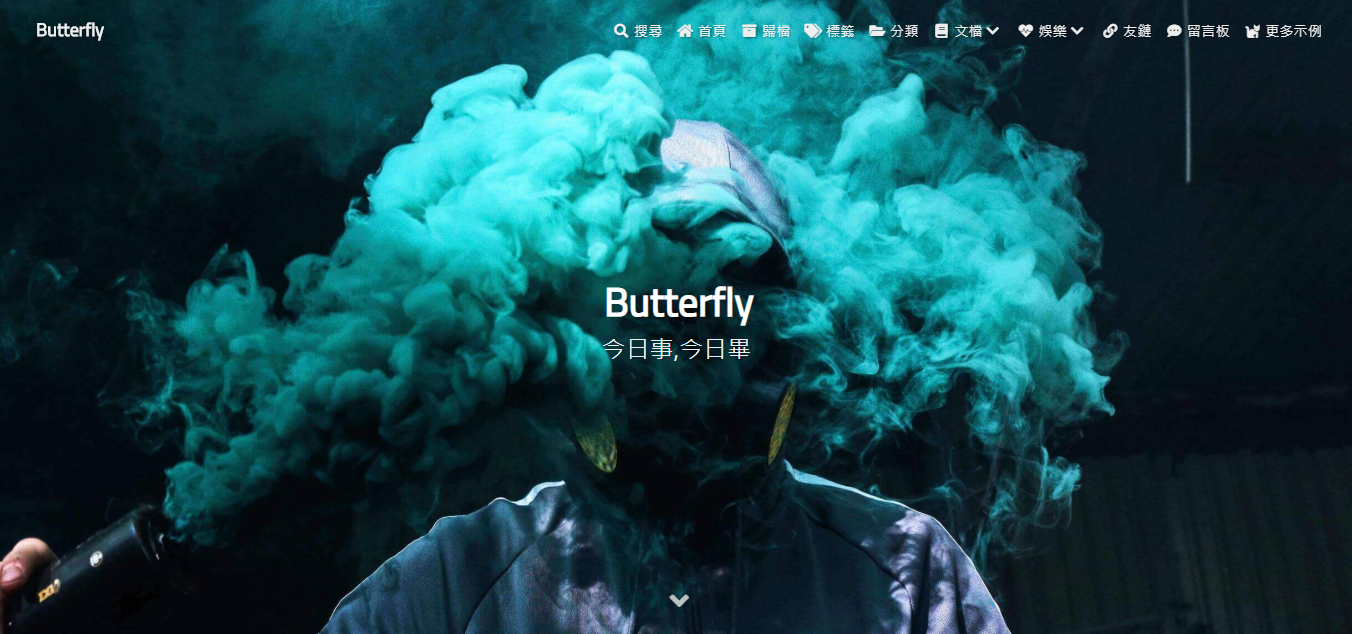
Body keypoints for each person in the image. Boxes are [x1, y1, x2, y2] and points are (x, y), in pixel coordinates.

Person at [1, 121, 1011, 634]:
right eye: (650, 308)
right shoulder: (445, 592)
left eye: (732, 307)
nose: (694, 359)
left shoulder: (909, 576)